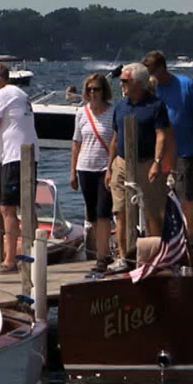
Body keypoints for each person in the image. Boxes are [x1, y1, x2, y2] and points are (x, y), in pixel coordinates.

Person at [0, 62, 37, 273]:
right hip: (27, 154)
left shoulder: (3, 93)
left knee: (7, 208)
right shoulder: (19, 93)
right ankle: (32, 254)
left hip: (14, 156)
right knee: (26, 205)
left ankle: (10, 259)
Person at [143, 51, 193, 234]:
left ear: (162, 68)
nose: (150, 75)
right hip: (157, 153)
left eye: (152, 71)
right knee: (157, 199)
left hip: (184, 152)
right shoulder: (150, 89)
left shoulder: (186, 85)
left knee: (185, 198)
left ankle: (190, 235)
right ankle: (166, 237)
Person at [109, 62, 173, 238]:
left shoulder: (156, 106)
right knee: (120, 212)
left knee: (152, 213)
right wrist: (109, 167)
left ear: (138, 82)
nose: (121, 84)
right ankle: (123, 257)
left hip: (146, 163)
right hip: (122, 163)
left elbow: (162, 135)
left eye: (125, 80)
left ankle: (155, 253)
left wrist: (157, 162)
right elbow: (115, 138)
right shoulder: (120, 106)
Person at [69, 73, 116, 273]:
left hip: (105, 168)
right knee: (92, 214)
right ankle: (100, 252)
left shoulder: (112, 112)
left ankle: (103, 256)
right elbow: (76, 143)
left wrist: (111, 167)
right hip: (85, 167)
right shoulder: (81, 113)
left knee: (104, 212)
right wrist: (72, 172)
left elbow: (115, 141)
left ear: (103, 91)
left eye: (96, 89)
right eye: (89, 90)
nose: (92, 93)